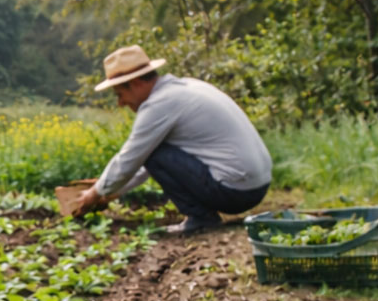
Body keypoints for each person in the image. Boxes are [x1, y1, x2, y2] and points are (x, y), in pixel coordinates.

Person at [72, 45, 272, 235]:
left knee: (153, 153)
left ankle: (201, 218)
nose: (121, 103)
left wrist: (93, 194)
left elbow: (132, 158)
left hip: (236, 192)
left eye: (120, 94)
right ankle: (201, 215)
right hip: (256, 186)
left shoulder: (159, 104)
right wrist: (110, 191)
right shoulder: (186, 87)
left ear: (135, 84)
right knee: (154, 153)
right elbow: (146, 162)